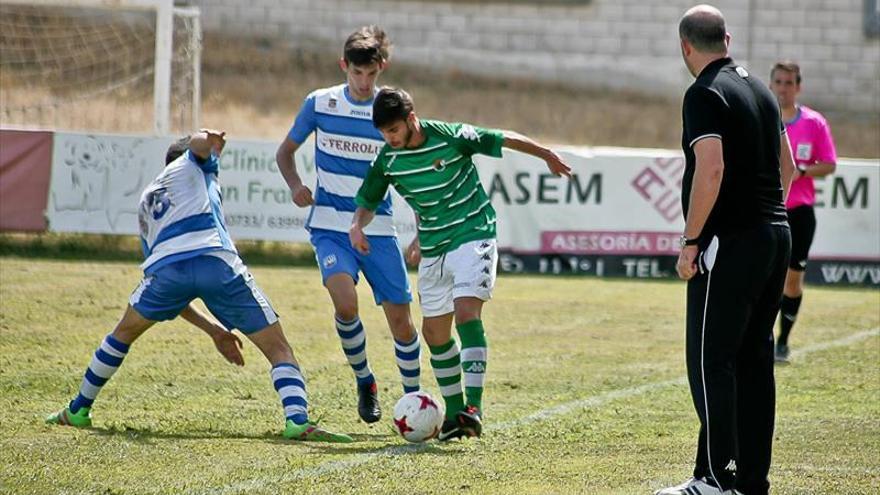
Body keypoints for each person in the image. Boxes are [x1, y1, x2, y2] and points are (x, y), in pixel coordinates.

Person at [46, 130, 353, 443]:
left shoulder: (147, 199)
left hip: (165, 274)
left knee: (121, 335)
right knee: (278, 348)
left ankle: (78, 409)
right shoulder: (194, 163)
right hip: (215, 262)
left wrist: (216, 331)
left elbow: (174, 290)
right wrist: (208, 138)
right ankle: (298, 421)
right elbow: (198, 146)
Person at [350, 87, 571, 441]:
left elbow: (503, 138)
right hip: (434, 247)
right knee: (435, 333)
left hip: (473, 233)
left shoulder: (450, 137)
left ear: (411, 119)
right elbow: (368, 199)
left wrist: (545, 154)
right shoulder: (388, 160)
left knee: (467, 312)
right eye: (383, 134)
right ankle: (454, 416)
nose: (389, 139)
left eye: (393, 131)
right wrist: (357, 224)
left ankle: (474, 408)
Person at [655, 5, 797, 495]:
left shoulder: (704, 93)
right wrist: (762, 213)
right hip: (776, 235)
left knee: (711, 361)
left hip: (731, 243)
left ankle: (718, 478)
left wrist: (691, 241)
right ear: (728, 38)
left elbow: (709, 169)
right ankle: (745, 479)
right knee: (753, 359)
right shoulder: (761, 88)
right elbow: (790, 168)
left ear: (685, 47)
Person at [275, 26, 420, 424]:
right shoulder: (319, 103)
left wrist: (421, 226)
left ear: (381, 68)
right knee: (344, 302)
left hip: (378, 229)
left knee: (402, 325)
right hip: (328, 227)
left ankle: (413, 400)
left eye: (371, 74)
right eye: (357, 74)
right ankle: (365, 380)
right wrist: (295, 185)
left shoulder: (388, 111)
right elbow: (285, 152)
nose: (363, 82)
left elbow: (411, 170)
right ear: (344, 66)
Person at [768, 61, 838, 363]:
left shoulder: (814, 122)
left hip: (799, 213)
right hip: (767, 210)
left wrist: (802, 172)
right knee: (763, 278)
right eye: (778, 82)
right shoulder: (762, 117)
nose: (783, 88)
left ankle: (783, 340)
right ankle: (760, 338)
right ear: (771, 85)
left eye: (789, 83)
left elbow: (830, 164)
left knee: (792, 281)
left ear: (798, 87)